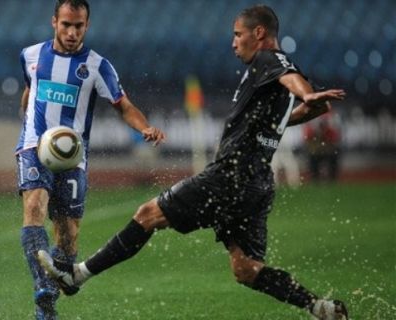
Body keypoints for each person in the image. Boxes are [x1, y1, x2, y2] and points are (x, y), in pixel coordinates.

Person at [38, 5, 348, 320]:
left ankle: (77, 276)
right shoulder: (268, 72)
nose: (233, 43)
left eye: (238, 35)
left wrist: (306, 94)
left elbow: (293, 79)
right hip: (257, 183)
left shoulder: (269, 60)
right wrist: (306, 105)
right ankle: (320, 307)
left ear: (258, 33)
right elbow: (308, 110)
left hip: (231, 174)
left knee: (148, 215)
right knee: (246, 269)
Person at [15, 1, 166, 319]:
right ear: (54, 21)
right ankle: (43, 290)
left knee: (67, 238)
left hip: (72, 158)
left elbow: (123, 105)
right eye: (66, 24)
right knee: (33, 208)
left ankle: (53, 294)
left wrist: (144, 127)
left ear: (87, 25)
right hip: (34, 147)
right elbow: (31, 89)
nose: (71, 32)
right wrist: (25, 115)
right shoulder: (30, 55)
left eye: (78, 26)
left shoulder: (98, 66)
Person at [303, 111, 342, 182]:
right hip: (316, 153)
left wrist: (323, 148)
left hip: (328, 152)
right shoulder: (312, 130)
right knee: (312, 158)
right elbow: (308, 143)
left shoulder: (330, 130)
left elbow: (334, 143)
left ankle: (332, 179)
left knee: (334, 156)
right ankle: (314, 179)